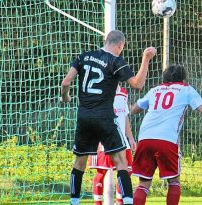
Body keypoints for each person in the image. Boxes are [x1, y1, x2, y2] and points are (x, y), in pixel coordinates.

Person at [60, 30, 156, 205]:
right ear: (120, 45)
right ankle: (127, 202)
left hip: (84, 117)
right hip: (105, 118)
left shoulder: (84, 57)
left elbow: (66, 82)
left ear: (106, 40)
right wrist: (146, 59)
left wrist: (65, 97)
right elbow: (138, 84)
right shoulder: (115, 61)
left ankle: (74, 202)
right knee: (121, 162)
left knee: (79, 162)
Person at [131, 64, 202, 205]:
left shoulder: (155, 90)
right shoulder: (186, 89)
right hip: (166, 139)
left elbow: (134, 109)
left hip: (145, 138)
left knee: (143, 184)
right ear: (183, 78)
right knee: (174, 181)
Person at [88, 85, 136, 205]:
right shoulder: (98, 91)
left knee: (126, 171)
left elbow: (125, 116)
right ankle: (98, 203)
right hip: (103, 139)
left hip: (122, 141)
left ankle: (120, 202)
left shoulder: (124, 93)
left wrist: (130, 137)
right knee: (101, 171)